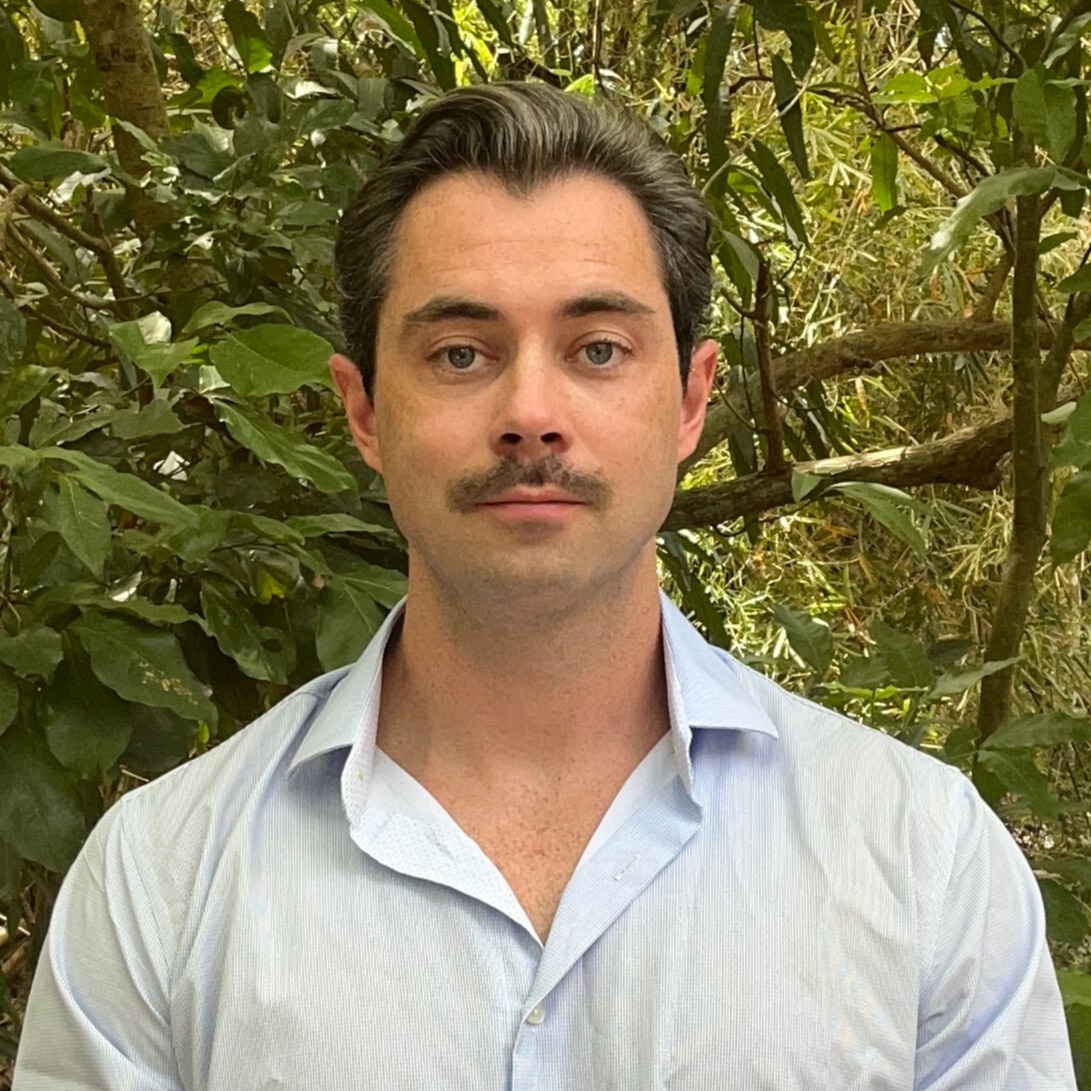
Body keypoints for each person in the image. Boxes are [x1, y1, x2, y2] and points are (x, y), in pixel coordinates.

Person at [14, 81, 1074, 1090]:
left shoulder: (921, 860)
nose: (530, 412)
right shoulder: (160, 879)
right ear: (364, 410)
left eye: (597, 349)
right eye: (460, 354)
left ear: (690, 399)